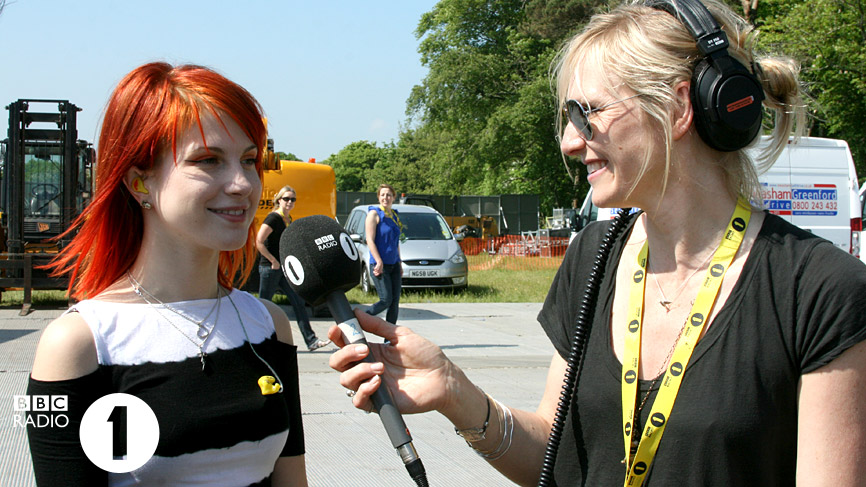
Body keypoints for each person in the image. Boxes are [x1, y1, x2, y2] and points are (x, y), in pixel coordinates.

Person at [328, 1, 866, 485]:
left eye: (589, 113)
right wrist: (453, 390)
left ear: (679, 108)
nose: (568, 141)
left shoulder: (820, 291)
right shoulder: (591, 257)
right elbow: (555, 456)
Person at [27, 62, 309, 486]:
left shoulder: (269, 326)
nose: (243, 184)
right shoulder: (79, 345)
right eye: (209, 160)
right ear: (140, 183)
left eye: (249, 159)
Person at [257, 185, 330, 351]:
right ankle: (256, 341)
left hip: (283, 269)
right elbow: (259, 241)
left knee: (298, 301)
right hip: (270, 269)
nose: (289, 202)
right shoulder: (273, 218)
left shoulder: (288, 219)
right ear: (279, 200)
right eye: (286, 199)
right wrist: (272, 260)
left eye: (293, 199)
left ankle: (311, 340)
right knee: (263, 306)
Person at [364, 183, 403, 324]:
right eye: (382, 195)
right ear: (378, 197)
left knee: (394, 302)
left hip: (394, 264)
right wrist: (378, 261)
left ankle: (390, 338)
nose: (385, 197)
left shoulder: (394, 215)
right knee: (386, 300)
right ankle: (359, 319)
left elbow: (395, 241)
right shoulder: (374, 214)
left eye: (388, 195)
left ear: (393, 197)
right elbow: (369, 240)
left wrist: (400, 262)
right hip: (380, 265)